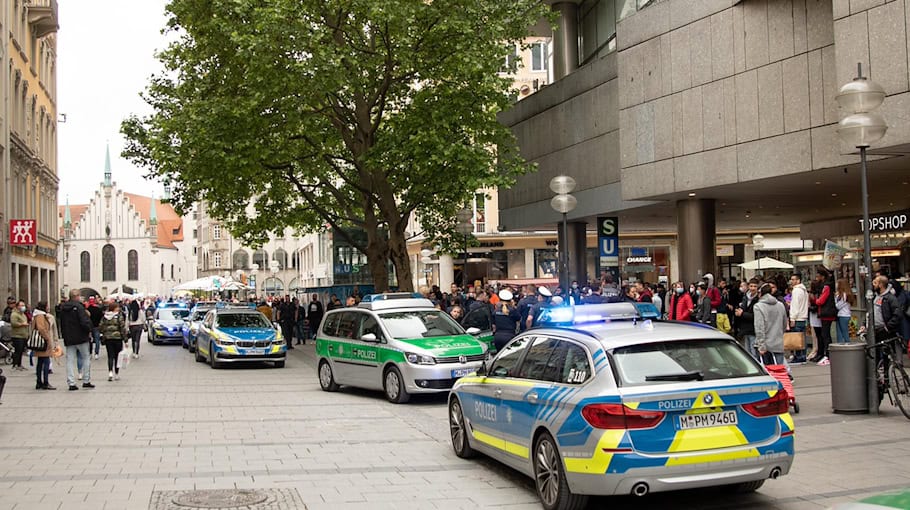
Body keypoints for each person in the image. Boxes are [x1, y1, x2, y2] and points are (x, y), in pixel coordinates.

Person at [58, 289, 94, 391]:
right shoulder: (79, 307)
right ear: (77, 296)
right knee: (86, 357)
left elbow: (62, 323)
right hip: (81, 337)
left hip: (69, 338)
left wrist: (64, 335)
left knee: (70, 360)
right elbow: (84, 321)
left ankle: (71, 383)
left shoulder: (63, 308)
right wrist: (88, 330)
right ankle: (86, 380)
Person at [754, 283, 790, 371]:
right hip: (778, 341)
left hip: (765, 344)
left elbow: (759, 327)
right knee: (780, 369)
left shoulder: (758, 306)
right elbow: (784, 323)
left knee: (768, 370)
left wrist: (761, 345)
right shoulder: (780, 305)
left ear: (760, 293)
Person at [31, 301, 57, 390]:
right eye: (47, 306)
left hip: (40, 342)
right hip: (42, 342)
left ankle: (39, 382)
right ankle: (45, 382)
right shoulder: (40, 316)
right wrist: (47, 338)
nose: (48, 308)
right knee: (46, 362)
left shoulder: (38, 315)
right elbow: (41, 328)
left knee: (40, 362)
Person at [99, 302, 128, 382]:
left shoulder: (105, 316)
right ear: (114, 308)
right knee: (117, 357)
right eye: (117, 307)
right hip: (117, 338)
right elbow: (122, 328)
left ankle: (110, 372)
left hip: (108, 339)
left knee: (110, 356)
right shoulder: (119, 316)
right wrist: (125, 340)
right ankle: (117, 373)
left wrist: (105, 333)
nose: (118, 308)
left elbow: (101, 327)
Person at [813, 269, 836, 365]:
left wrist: (815, 300)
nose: (817, 278)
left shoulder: (826, 287)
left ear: (822, 277)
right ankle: (827, 354)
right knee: (824, 334)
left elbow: (821, 301)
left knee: (825, 334)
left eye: (818, 276)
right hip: (825, 312)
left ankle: (828, 355)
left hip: (826, 312)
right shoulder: (825, 286)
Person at [736, 279, 761, 359]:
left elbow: (756, 315)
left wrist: (742, 314)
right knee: (747, 352)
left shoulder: (759, 299)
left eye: (755, 286)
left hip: (754, 329)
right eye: (751, 286)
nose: (752, 288)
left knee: (754, 352)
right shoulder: (745, 297)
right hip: (745, 328)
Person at [788, 273, 809, 363]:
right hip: (803, 317)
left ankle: (799, 356)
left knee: (796, 338)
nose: (791, 281)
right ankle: (802, 355)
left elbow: (795, 306)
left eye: (793, 279)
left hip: (797, 317)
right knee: (802, 337)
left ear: (798, 280)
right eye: (791, 279)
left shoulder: (796, 291)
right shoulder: (804, 290)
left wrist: (792, 318)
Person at [873, 275, 902, 342]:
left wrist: (887, 327)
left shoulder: (890, 298)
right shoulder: (875, 297)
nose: (873, 284)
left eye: (875, 282)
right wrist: (864, 324)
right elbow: (871, 311)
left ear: (880, 285)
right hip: (875, 330)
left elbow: (898, 314)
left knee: (886, 350)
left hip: (884, 331)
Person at [9, 300, 29, 371]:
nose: (23, 307)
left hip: (23, 335)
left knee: (21, 351)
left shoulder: (23, 314)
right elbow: (13, 323)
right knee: (17, 351)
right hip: (17, 335)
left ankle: (19, 364)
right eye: (21, 305)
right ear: (17, 306)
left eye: (23, 305)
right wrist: (22, 324)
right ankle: (15, 364)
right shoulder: (14, 314)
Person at [835, 278, 855, 344]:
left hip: (844, 315)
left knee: (844, 331)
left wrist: (835, 298)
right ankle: (840, 343)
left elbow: (838, 306)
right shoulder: (840, 294)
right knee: (839, 332)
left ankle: (847, 343)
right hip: (840, 315)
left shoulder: (844, 295)